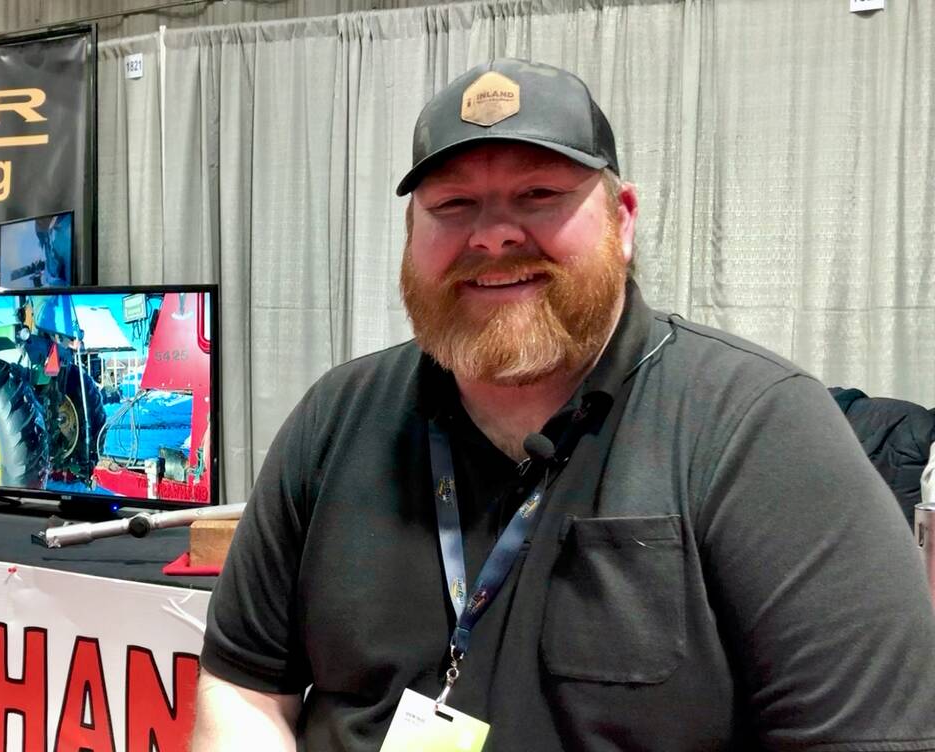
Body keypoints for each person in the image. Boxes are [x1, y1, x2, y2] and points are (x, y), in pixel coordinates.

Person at [193, 59, 935, 751]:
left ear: (624, 221)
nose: (493, 235)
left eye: (538, 195)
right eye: (453, 205)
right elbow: (245, 685)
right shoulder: (336, 419)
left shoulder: (760, 431)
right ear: (410, 236)